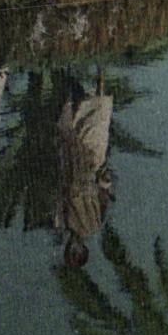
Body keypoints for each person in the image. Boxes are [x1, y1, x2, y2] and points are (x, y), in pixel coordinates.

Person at [53, 74, 114, 268]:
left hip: (69, 166)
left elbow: (59, 193)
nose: (73, 248)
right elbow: (104, 195)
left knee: (66, 123)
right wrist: (104, 179)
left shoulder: (61, 223)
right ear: (83, 250)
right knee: (96, 117)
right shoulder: (94, 225)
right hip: (90, 166)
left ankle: (68, 77)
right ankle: (100, 74)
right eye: (76, 252)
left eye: (71, 251)